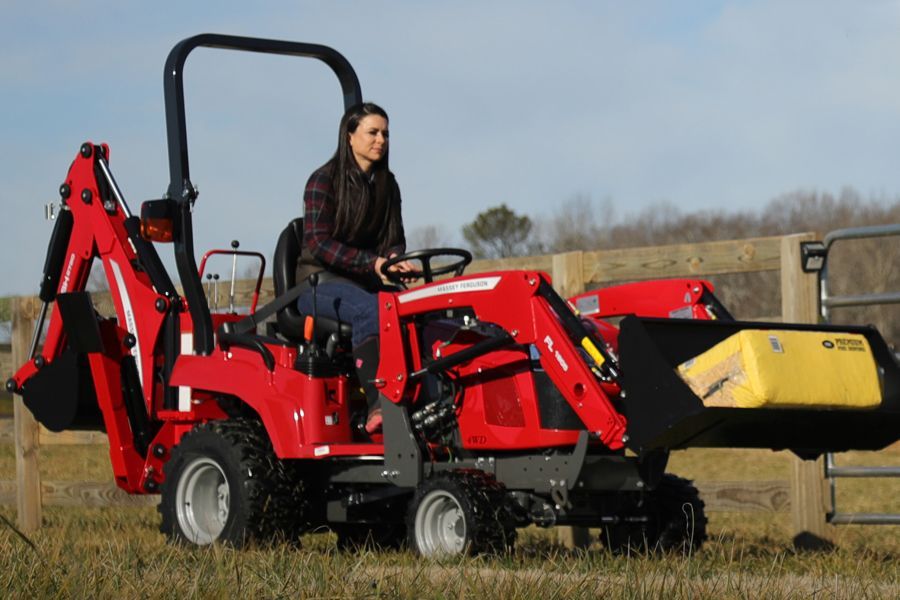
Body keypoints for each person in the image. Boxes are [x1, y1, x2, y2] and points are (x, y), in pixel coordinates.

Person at [296, 102, 414, 434]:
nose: (381, 140)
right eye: (373, 132)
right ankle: (380, 402)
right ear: (350, 136)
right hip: (317, 284)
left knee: (418, 310)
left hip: (365, 281)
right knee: (373, 310)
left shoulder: (387, 185)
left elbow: (394, 239)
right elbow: (319, 243)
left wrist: (392, 261)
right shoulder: (323, 180)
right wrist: (371, 263)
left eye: (385, 134)